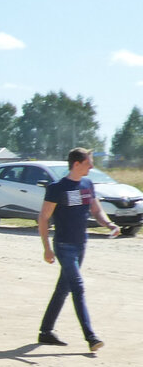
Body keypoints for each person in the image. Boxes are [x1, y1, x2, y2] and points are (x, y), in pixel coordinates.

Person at [37, 147, 120, 351]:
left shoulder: (87, 184)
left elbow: (96, 209)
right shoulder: (57, 188)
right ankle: (91, 337)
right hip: (64, 245)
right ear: (76, 164)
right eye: (88, 163)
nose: (91, 166)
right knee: (78, 287)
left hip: (81, 243)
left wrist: (109, 224)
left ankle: (45, 331)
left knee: (63, 288)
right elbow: (44, 218)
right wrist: (47, 248)